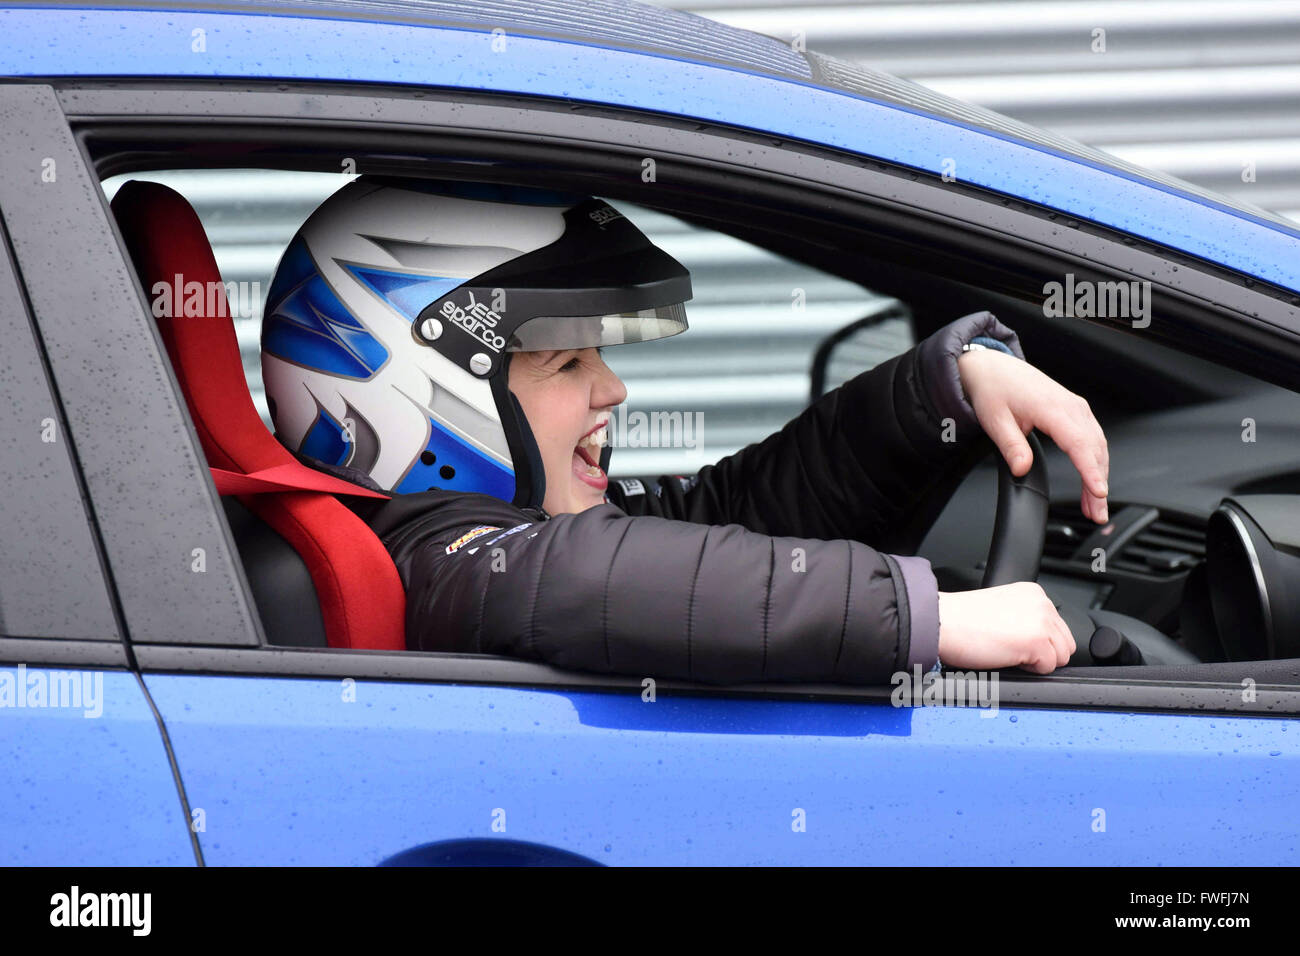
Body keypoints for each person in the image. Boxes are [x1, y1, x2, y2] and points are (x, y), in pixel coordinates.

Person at [260, 177, 1109, 683]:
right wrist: (931, 618)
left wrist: (937, 392)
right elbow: (593, 577)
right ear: (424, 392)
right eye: (566, 365)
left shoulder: (517, 536)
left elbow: (721, 519)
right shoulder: (451, 565)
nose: (613, 388)